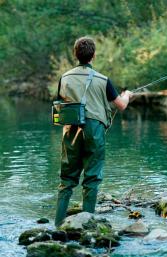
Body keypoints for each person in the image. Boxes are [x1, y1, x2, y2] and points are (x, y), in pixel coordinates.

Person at [54, 36, 132, 227]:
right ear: (94, 55)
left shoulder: (65, 77)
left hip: (70, 130)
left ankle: (57, 225)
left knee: (67, 179)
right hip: (94, 130)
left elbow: (60, 103)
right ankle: (87, 225)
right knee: (92, 178)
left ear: (75, 54)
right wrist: (128, 95)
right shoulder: (103, 80)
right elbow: (121, 106)